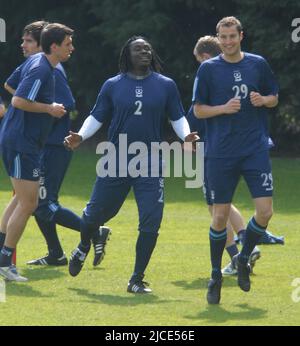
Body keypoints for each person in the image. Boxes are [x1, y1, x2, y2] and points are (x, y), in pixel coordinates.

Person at [64, 36, 198, 294]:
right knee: (94, 215)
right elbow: (97, 115)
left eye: (148, 48)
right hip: (115, 158)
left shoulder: (165, 85)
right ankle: (83, 246)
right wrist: (81, 135)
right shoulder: (113, 85)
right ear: (128, 54)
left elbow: (177, 116)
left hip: (150, 160)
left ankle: (136, 278)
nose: (145, 51)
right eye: (138, 48)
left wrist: (186, 135)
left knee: (151, 220)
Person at [3, 21, 110, 267]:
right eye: (68, 44)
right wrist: (40, 106)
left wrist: (47, 110)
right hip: (31, 143)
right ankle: (53, 253)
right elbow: (14, 90)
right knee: (32, 202)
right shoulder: (37, 65)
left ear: (43, 45)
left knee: (39, 202)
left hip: (52, 145)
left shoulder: (52, 70)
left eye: (28, 41)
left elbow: (65, 104)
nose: (23, 45)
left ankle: (92, 232)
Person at [193, 17, 279, 304]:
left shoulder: (258, 64)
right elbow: (199, 111)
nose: (228, 41)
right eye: (223, 37)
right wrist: (222, 108)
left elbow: (274, 97)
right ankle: (215, 275)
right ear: (218, 38)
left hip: (254, 148)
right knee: (219, 216)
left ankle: (242, 258)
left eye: (232, 36)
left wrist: (263, 100)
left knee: (265, 212)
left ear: (241, 35)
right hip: (221, 151)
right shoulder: (208, 69)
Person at [0, 23, 74, 282]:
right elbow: (19, 100)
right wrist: (49, 108)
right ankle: (5, 261)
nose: (71, 49)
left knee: (20, 200)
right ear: (53, 46)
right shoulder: (42, 68)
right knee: (29, 203)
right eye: (67, 45)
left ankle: (2, 255)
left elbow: (11, 85)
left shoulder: (38, 62)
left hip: (19, 140)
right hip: (22, 142)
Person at [187, 35, 262, 276]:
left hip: (215, 154)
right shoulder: (237, 76)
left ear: (206, 57)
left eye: (200, 61)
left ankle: (239, 255)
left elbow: (197, 117)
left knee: (215, 208)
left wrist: (187, 142)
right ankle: (246, 246)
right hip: (239, 151)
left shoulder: (210, 81)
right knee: (223, 205)